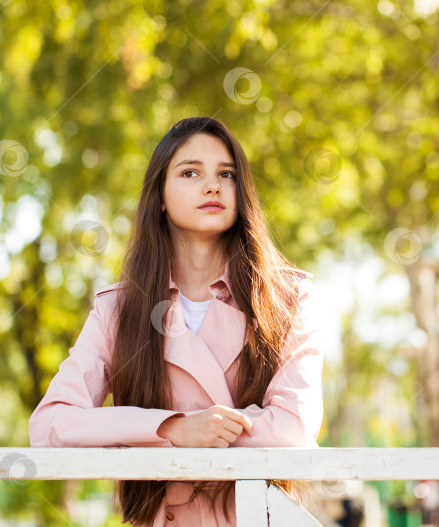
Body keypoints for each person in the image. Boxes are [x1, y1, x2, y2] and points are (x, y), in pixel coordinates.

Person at [29, 116, 324, 526]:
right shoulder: (119, 310)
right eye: (190, 172)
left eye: (227, 174)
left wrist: (205, 432)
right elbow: (51, 424)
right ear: (161, 196)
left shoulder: (288, 298)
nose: (212, 185)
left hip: (260, 517)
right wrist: (172, 428)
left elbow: (294, 425)